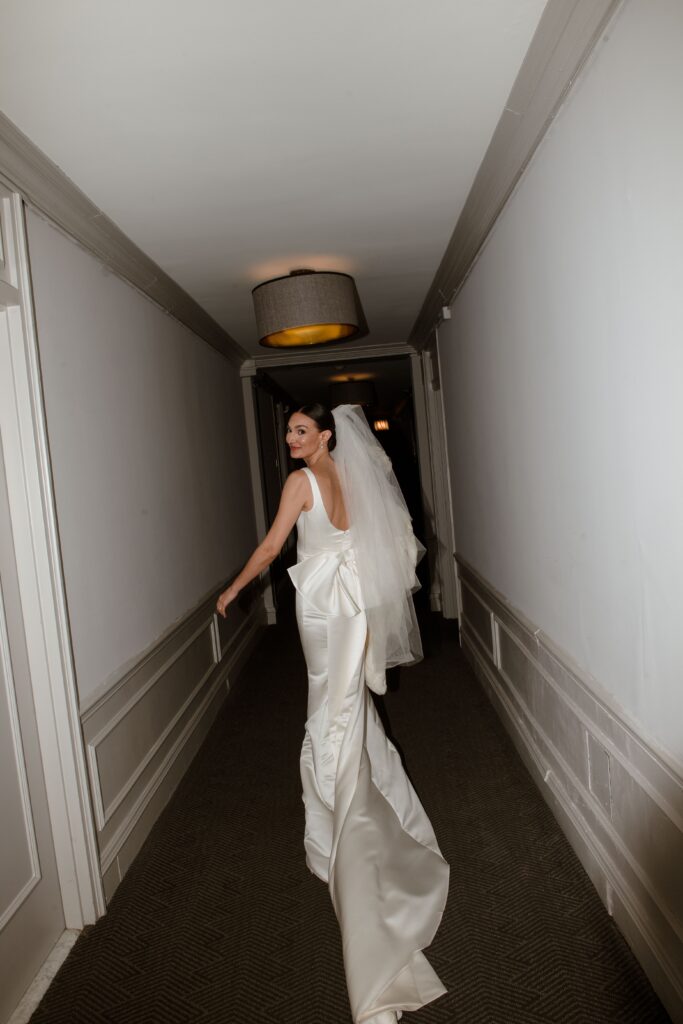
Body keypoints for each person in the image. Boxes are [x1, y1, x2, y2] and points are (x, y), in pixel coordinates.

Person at [217, 403, 448, 1024]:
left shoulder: (301, 482)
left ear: (324, 435)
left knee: (328, 699)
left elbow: (273, 546)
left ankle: (347, 825)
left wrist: (235, 588)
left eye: (301, 430)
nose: (291, 438)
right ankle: (361, 796)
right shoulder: (351, 475)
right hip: (353, 601)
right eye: (289, 431)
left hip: (322, 605)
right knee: (346, 700)